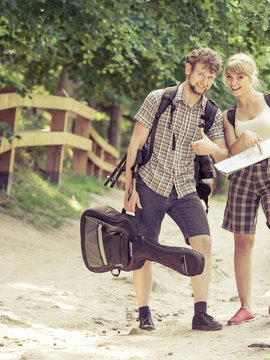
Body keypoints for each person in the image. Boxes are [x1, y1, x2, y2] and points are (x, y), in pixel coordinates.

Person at [124, 48, 228, 331]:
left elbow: (223, 156)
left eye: (210, 77)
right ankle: (144, 314)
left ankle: (200, 313)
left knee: (203, 242)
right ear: (188, 69)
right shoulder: (158, 99)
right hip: (150, 182)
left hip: (184, 187)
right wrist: (129, 187)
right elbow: (134, 144)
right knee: (143, 247)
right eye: (200, 74)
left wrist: (211, 148)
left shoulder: (211, 112)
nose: (204, 82)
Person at [222, 53, 270, 325]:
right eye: (229, 76)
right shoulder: (228, 115)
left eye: (239, 76)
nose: (233, 81)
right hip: (242, 174)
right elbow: (231, 153)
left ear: (251, 78)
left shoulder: (269, 100)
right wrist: (244, 137)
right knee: (242, 239)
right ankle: (245, 307)